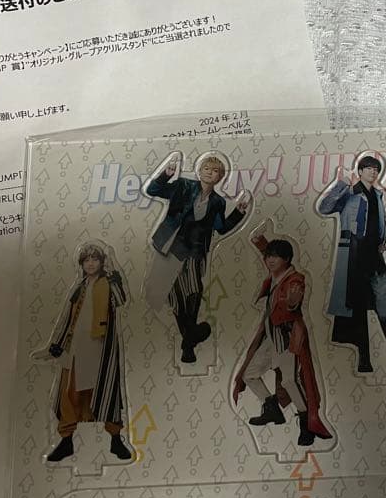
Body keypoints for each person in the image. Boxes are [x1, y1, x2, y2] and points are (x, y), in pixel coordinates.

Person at [316, 154, 386, 373]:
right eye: (368, 168)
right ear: (360, 171)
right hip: (353, 255)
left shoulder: (378, 194)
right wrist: (340, 184)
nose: (373, 171)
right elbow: (324, 208)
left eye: (376, 169)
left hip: (374, 256)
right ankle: (364, 359)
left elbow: (385, 222)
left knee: (384, 302)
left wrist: (385, 241)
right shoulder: (349, 193)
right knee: (356, 306)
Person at [144, 153, 250, 363]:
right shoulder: (183, 186)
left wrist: (238, 212)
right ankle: (189, 342)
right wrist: (166, 175)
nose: (211, 173)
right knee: (174, 295)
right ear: (200, 171)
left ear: (220, 177)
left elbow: (221, 228)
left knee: (194, 288)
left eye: (216, 171)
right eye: (207, 169)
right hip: (171, 246)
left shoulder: (218, 201)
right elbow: (152, 190)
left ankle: (188, 341)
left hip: (196, 250)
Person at [232, 227, 333, 446]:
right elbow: (267, 254)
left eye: (275, 257)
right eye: (268, 256)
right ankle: (271, 409)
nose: (270, 260)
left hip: (288, 337)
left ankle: (306, 423)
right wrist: (259, 240)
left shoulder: (295, 278)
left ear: (286, 259)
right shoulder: (274, 276)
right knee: (249, 374)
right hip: (270, 336)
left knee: (290, 381)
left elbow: (294, 297)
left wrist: (292, 301)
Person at [36, 241, 131, 462]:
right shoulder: (79, 287)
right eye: (87, 260)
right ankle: (66, 441)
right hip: (76, 347)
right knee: (69, 393)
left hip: (101, 348)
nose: (90, 263)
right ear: (81, 263)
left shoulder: (108, 283)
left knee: (107, 391)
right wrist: (55, 346)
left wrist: (114, 267)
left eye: (95, 259)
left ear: (102, 262)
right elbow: (67, 317)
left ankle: (116, 440)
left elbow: (121, 299)